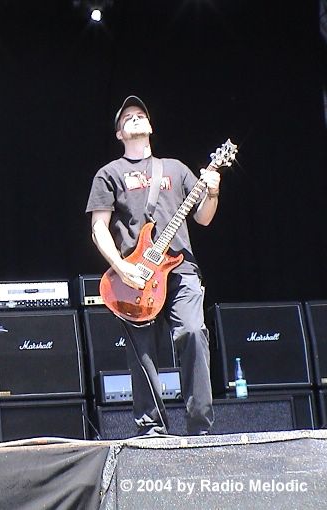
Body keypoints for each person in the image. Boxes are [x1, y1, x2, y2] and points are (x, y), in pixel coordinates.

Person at [86, 95, 220, 436]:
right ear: (119, 133)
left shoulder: (175, 169)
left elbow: (204, 218)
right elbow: (99, 228)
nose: (135, 117)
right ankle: (152, 429)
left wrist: (213, 192)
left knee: (193, 331)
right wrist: (121, 267)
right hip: (136, 274)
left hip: (180, 268)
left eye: (140, 114)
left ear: (150, 125)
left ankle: (200, 427)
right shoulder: (109, 174)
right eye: (127, 116)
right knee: (142, 353)